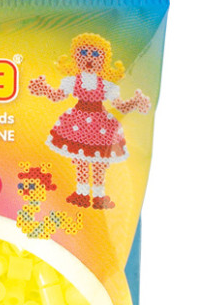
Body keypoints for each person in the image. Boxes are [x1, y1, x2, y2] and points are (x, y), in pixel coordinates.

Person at [28, 33, 150, 210]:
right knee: (80, 161)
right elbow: (58, 96)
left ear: (104, 60)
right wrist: (44, 89)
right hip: (78, 124)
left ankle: (99, 195)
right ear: (75, 56)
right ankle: (82, 193)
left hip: (101, 126)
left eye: (96, 54)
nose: (89, 59)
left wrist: (135, 102)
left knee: (100, 162)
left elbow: (120, 106)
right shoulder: (72, 81)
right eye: (83, 53)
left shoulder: (107, 86)